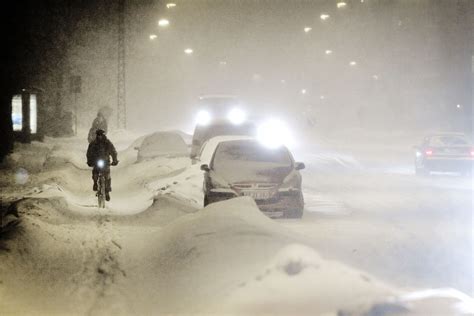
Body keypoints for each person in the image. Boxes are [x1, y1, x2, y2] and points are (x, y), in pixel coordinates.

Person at [86, 129, 118, 201]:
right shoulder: (93, 144)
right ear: (97, 135)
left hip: (106, 161)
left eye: (101, 135)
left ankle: (107, 191)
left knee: (107, 176)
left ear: (103, 135)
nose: (100, 136)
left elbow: (113, 151)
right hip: (96, 161)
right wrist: (89, 161)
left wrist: (115, 160)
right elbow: (89, 153)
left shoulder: (107, 143)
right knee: (95, 172)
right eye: (98, 135)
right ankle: (95, 183)